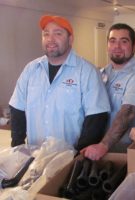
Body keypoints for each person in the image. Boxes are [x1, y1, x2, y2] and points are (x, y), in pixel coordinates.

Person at [9, 15, 110, 150]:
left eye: (58, 34)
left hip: (69, 159)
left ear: (70, 39)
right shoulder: (31, 70)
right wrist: (18, 148)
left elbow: (96, 117)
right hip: (34, 156)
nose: (50, 39)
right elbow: (17, 109)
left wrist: (80, 155)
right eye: (46, 34)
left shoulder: (87, 72)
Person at [81, 23, 135, 160]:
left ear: (134, 47)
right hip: (96, 149)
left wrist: (103, 145)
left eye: (124, 41)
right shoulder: (101, 73)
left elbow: (128, 113)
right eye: (112, 41)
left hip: (122, 152)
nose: (117, 46)